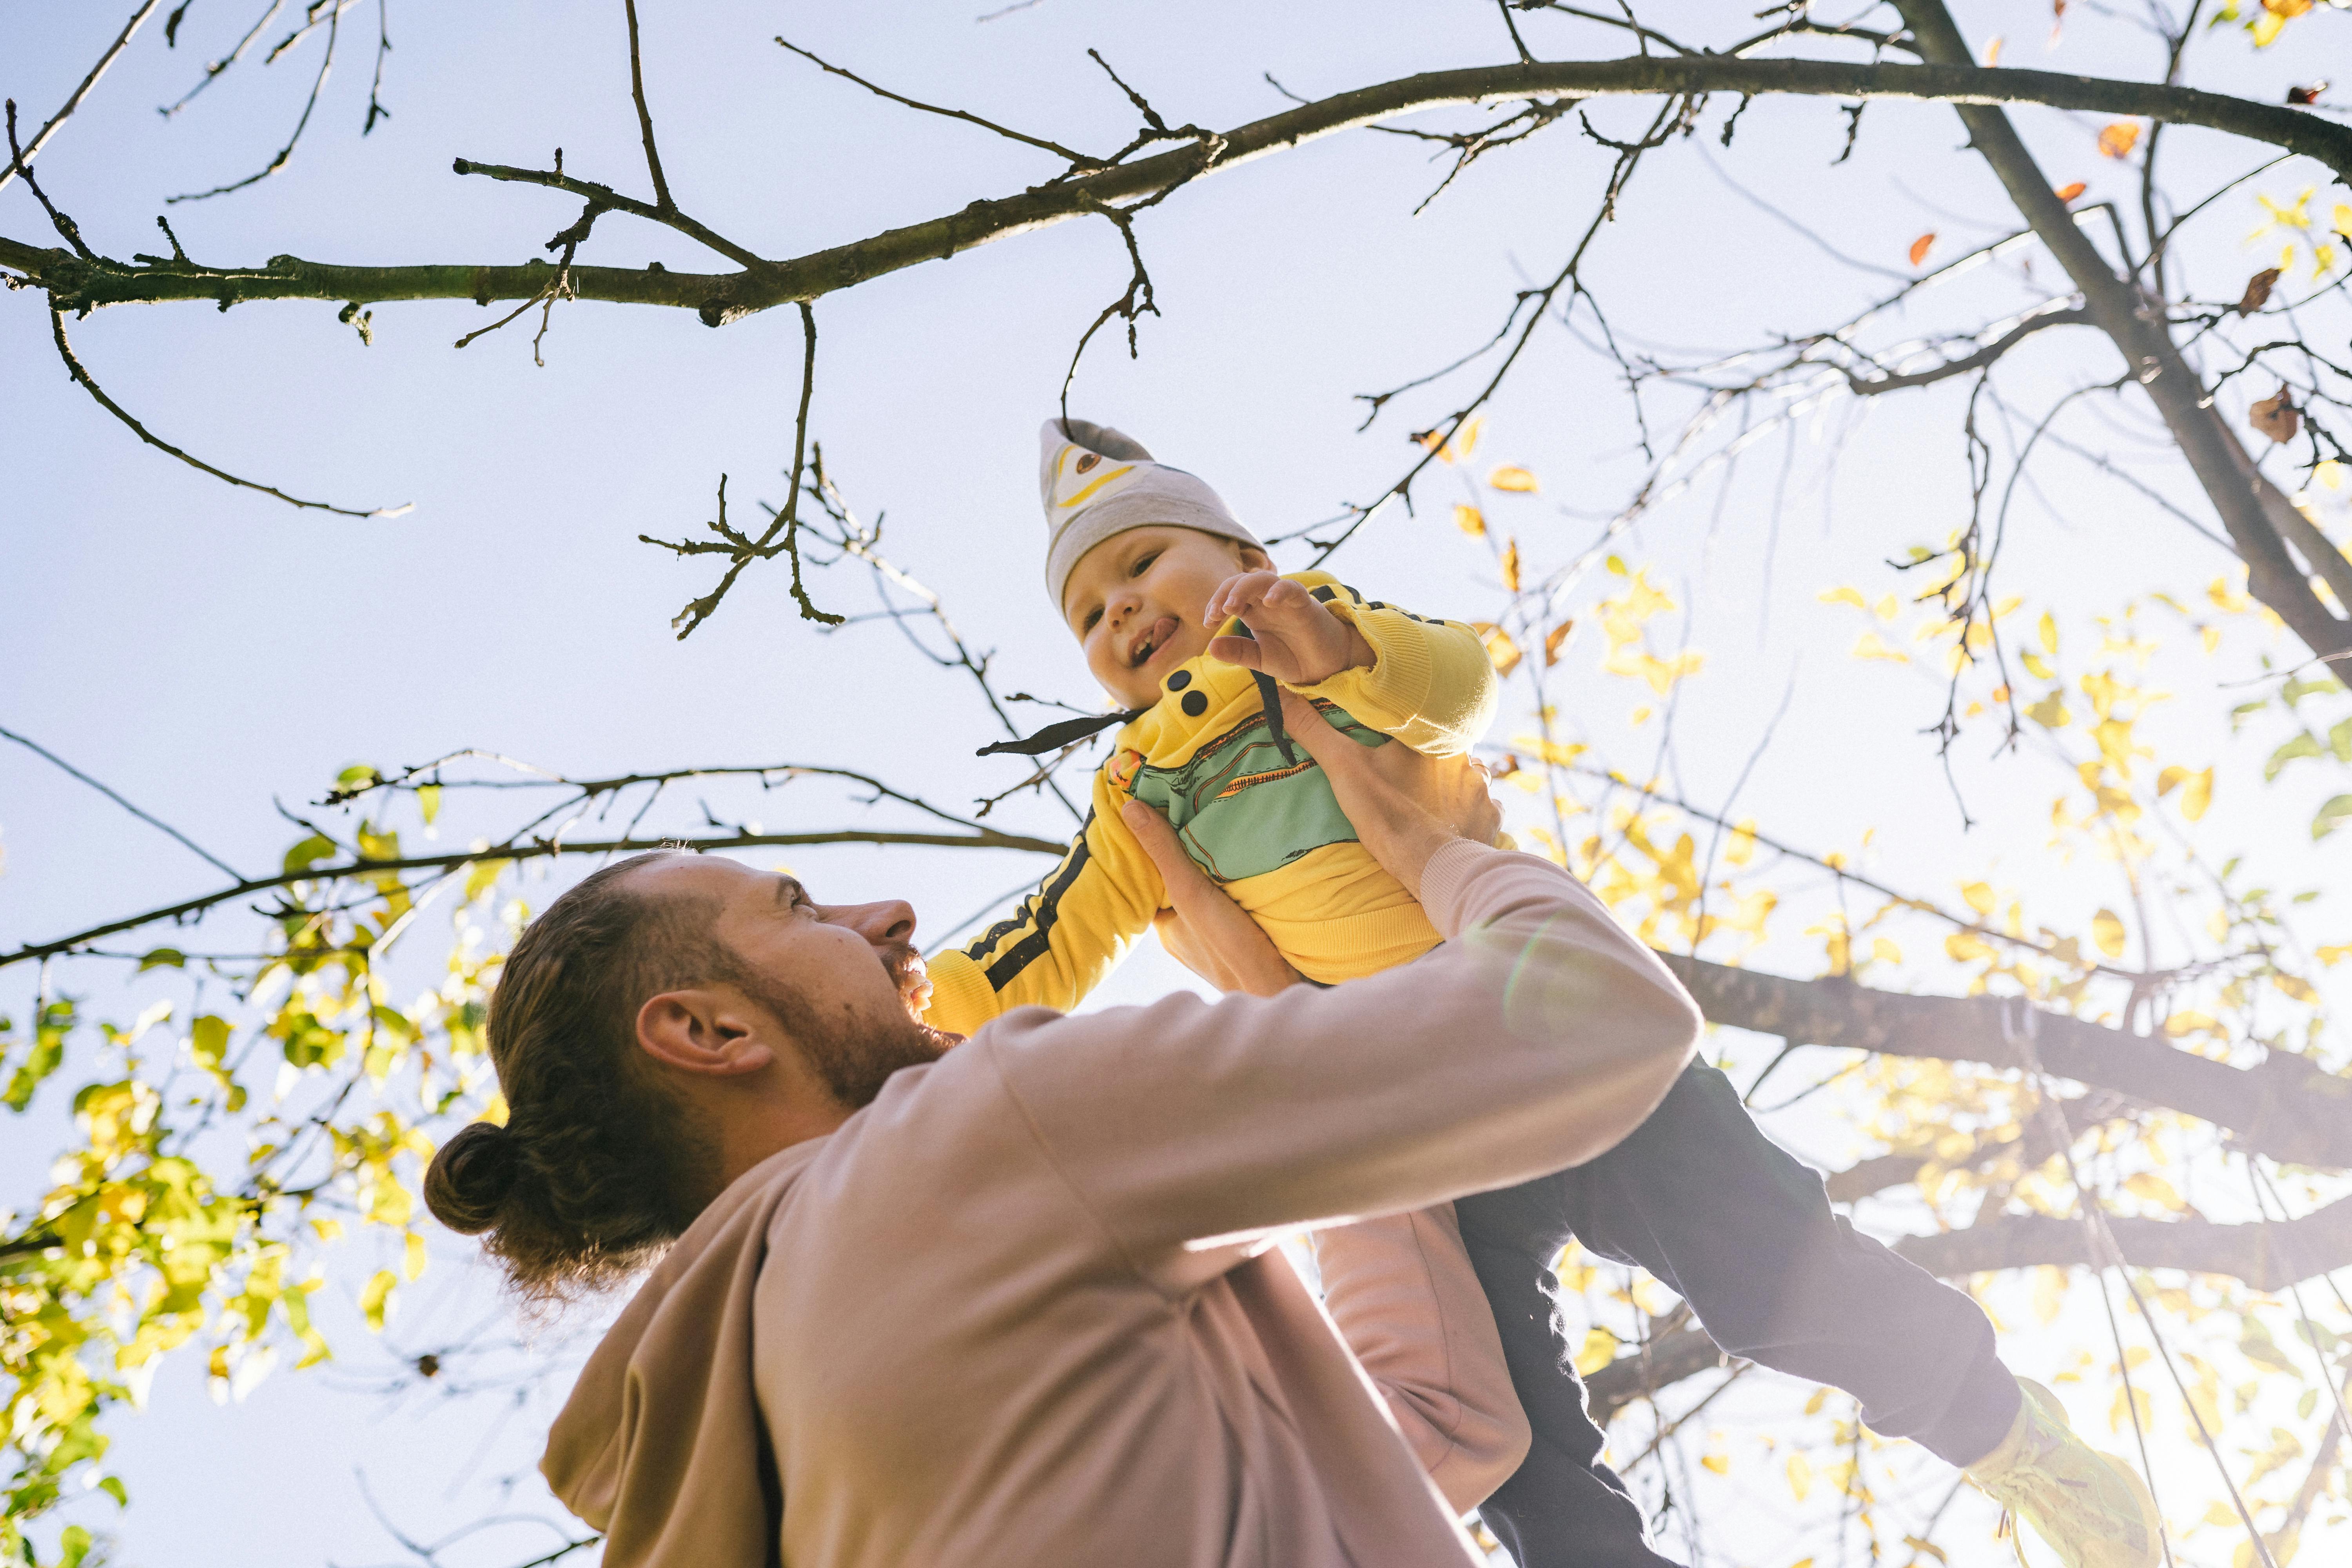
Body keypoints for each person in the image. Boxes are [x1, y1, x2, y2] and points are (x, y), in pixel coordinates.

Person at [920, 417, 2162, 1568]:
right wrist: (914, 1017)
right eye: (1088, 613)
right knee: (1491, 1439)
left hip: (1534, 1030)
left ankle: (2013, 1440)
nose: (1121, 607)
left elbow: (1458, 687)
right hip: (1404, 1138)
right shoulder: (1135, 797)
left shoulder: (1318, 639)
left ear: (1241, 556)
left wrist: (1334, 644)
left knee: (1764, 1267)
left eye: (1142, 561)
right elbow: (1045, 948)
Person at [422, 698, 1705, 1567]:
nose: (889, 914)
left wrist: (1279, 1019)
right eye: (801, 907)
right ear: (705, 1033)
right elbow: (1601, 1016)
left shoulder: (738, 1449)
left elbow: (1422, 1437)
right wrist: (1431, 842)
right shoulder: (980, 1131)